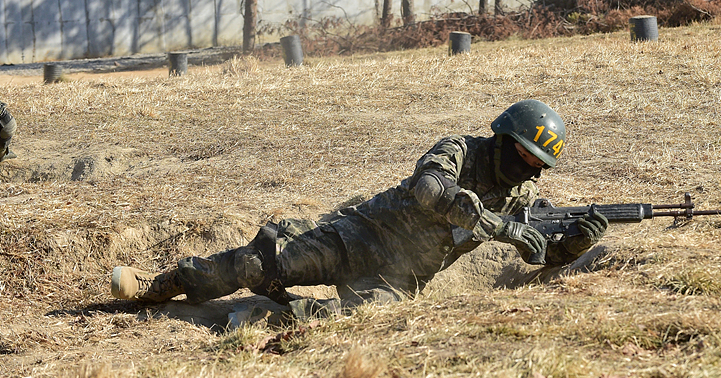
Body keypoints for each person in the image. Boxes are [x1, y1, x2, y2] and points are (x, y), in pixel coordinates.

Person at [110, 99, 609, 319]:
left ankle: (263, 318)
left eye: (536, 164)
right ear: (502, 139)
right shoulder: (459, 148)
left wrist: (571, 246)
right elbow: (430, 191)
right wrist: (497, 225)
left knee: (347, 321)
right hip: (360, 237)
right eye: (522, 155)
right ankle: (164, 285)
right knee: (256, 264)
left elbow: (538, 253)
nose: (526, 170)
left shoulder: (521, 198)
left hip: (400, 281)